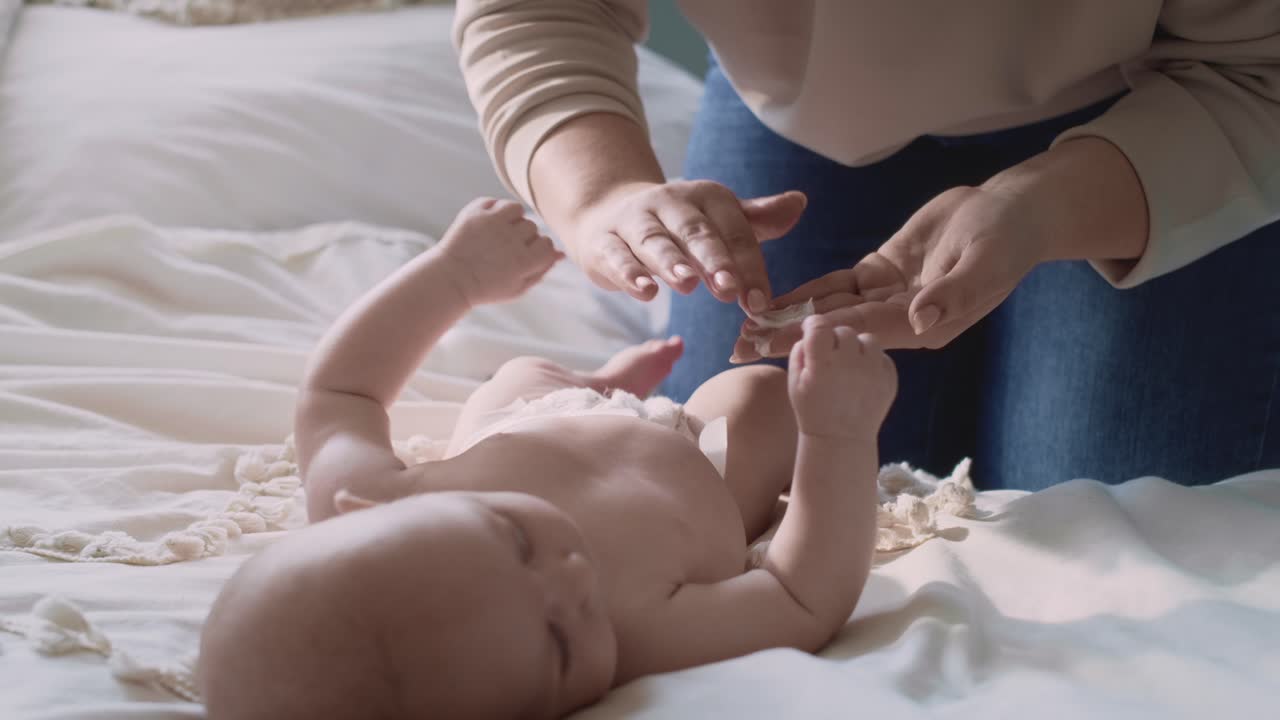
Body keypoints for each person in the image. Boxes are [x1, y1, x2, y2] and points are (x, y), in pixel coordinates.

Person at [452, 1, 1280, 489]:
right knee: (735, 479)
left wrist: (1042, 208)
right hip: (801, 110)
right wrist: (601, 194)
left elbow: (1261, 67)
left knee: (1100, 521)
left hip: (1169, 90)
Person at [196, 198, 897, 720]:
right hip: (695, 467)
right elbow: (800, 597)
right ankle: (671, 404)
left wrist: (454, 277)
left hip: (538, 418)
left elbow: (338, 392)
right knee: (761, 398)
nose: (572, 577)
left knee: (519, 373)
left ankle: (598, 384)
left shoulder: (378, 492)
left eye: (517, 540)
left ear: (361, 513)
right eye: (560, 647)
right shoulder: (643, 635)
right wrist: (838, 437)